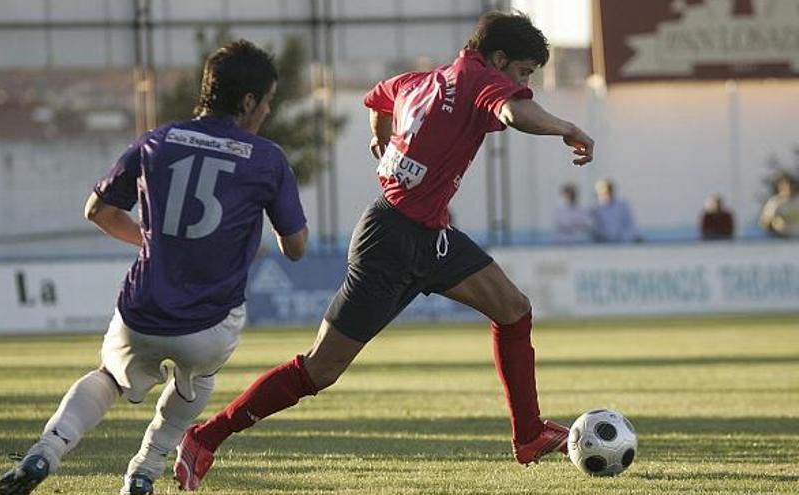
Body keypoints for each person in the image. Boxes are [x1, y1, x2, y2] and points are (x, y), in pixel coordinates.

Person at [173, 11, 595, 491]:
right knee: (320, 369)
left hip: (428, 235)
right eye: (522, 74)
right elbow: (513, 112)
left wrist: (379, 137)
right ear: (498, 60)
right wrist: (566, 127)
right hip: (389, 242)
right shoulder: (480, 78)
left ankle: (529, 436)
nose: (524, 87)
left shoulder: (423, 80)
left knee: (514, 310)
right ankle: (205, 437)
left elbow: (377, 96)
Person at [0, 40, 308, 495]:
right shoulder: (267, 158)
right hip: (209, 321)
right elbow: (296, 248)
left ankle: (46, 450)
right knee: (195, 382)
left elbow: (97, 212)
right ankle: (144, 470)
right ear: (247, 102)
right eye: (266, 102)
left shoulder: (156, 142)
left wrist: (153, 238)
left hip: (142, 309)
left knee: (107, 377)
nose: (267, 112)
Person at [590, 178, 640, 242]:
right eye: (604, 193)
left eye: (608, 192)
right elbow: (594, 230)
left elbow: (629, 226)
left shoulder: (622, 207)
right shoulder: (594, 210)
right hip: (603, 244)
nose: (606, 195)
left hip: (622, 242)